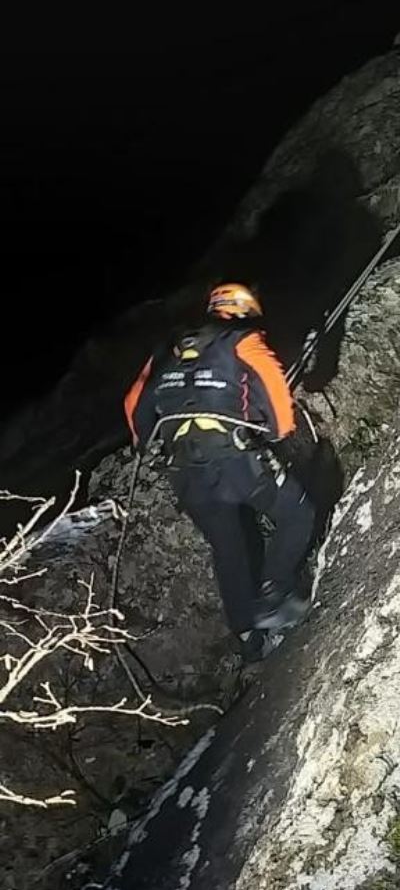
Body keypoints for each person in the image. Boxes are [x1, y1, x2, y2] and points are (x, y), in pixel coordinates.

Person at [123, 283, 316, 661]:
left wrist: (142, 439)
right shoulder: (243, 339)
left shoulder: (168, 349)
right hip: (235, 461)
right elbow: (275, 389)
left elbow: (134, 405)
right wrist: (280, 431)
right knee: (297, 513)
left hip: (185, 470)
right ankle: (274, 597)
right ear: (244, 309)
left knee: (228, 548)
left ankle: (248, 639)